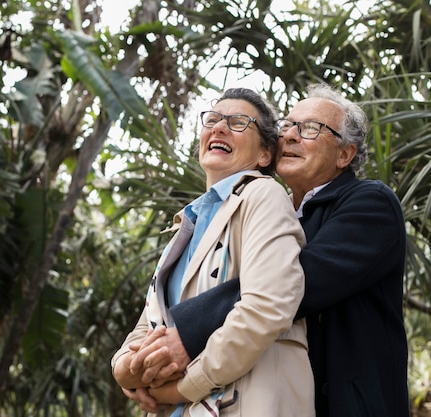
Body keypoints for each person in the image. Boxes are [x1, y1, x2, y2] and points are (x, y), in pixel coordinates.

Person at [126, 83, 410, 417]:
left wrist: (186, 332)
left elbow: (293, 284)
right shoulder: (266, 214)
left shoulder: (371, 204)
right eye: (287, 125)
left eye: (310, 128)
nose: (289, 135)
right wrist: (135, 363)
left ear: (345, 154)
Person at [111, 88, 315, 416]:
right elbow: (148, 326)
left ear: (265, 155)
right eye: (213, 119)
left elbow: (267, 307)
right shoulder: (187, 224)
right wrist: (123, 367)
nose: (219, 127)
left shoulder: (263, 195)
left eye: (238, 122)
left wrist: (182, 387)